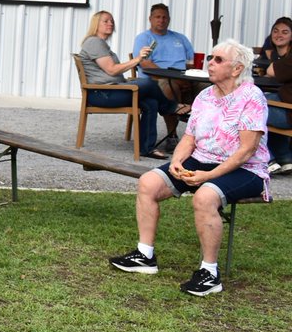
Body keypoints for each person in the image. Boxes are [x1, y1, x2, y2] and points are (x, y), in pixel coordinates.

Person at [109, 38, 271, 296]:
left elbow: (246, 150)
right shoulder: (205, 95)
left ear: (237, 68)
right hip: (202, 159)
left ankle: (210, 273)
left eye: (218, 60)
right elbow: (189, 137)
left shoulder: (252, 97)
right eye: (210, 58)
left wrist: (210, 175)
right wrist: (176, 161)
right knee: (148, 183)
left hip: (247, 168)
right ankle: (145, 256)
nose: (210, 63)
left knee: (206, 196)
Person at [78, 10, 174, 159]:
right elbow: (111, 70)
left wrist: (137, 61)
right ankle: (171, 108)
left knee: (151, 102)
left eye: (112, 21)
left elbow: (113, 72)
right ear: (96, 24)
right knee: (148, 83)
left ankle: (146, 148)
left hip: (111, 90)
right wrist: (137, 59)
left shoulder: (101, 44)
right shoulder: (94, 42)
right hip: (102, 94)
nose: (110, 23)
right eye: (106, 21)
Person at [132, 2, 196, 149]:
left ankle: (202, 137)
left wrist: (188, 77)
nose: (161, 20)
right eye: (158, 17)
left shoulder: (180, 38)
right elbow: (144, 63)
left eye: (164, 17)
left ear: (169, 19)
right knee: (170, 87)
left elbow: (192, 61)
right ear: (150, 19)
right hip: (157, 80)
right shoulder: (144, 38)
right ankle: (172, 136)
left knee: (208, 88)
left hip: (185, 78)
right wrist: (174, 78)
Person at [261, 17, 292, 174]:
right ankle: (286, 159)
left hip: (289, 112)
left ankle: (268, 159)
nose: (279, 34)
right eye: (275, 31)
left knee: (249, 109)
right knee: (262, 101)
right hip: (285, 103)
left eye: (285, 32)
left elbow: (271, 71)